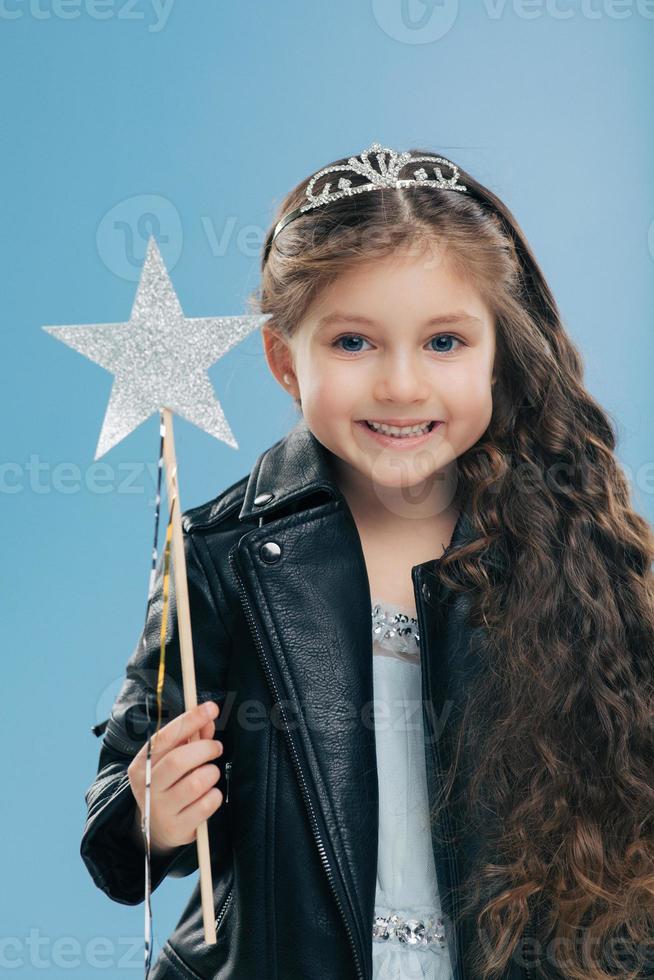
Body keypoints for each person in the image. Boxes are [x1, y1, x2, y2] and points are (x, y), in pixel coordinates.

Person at [80, 142, 654, 980]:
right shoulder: (222, 556)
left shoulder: (571, 551)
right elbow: (116, 827)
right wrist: (149, 813)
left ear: (500, 351)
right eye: (353, 342)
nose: (401, 384)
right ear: (285, 360)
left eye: (445, 342)